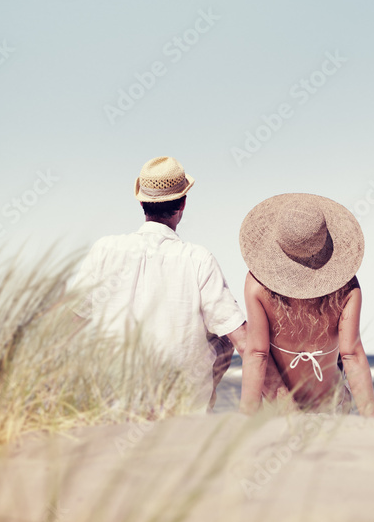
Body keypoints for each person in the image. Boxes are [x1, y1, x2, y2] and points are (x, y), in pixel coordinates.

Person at [71, 156, 283, 413]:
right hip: (181, 407)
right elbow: (244, 342)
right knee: (222, 336)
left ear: (141, 202)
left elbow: (66, 325)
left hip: (113, 403)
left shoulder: (104, 250)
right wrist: (285, 403)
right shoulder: (198, 258)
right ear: (183, 203)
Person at [239, 193, 374, 416]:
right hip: (332, 404)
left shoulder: (257, 286)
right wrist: (373, 421)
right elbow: (351, 355)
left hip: (282, 409)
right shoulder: (347, 287)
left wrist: (247, 417)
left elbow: (257, 353)